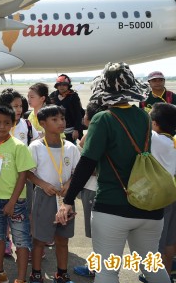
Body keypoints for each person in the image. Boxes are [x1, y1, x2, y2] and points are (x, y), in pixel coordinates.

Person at [57, 62, 170, 283]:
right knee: (152, 267)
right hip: (149, 206)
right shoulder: (144, 117)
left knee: (107, 271)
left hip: (113, 206)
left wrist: (68, 200)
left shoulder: (103, 118)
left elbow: (88, 162)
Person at [0, 103, 36, 283]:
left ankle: (20, 278)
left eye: (6, 123)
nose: (2, 127)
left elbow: (23, 175)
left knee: (21, 240)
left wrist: (12, 201)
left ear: (12, 124)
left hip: (16, 202)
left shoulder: (18, 146)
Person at [27, 105, 80, 283]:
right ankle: (36, 273)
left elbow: (77, 172)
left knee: (62, 239)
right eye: (55, 119)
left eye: (62, 119)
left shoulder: (71, 148)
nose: (61, 123)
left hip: (65, 199)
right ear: (42, 123)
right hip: (44, 197)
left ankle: (62, 273)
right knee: (39, 239)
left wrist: (69, 184)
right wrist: (43, 184)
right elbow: (27, 172)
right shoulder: (35, 146)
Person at [139, 103, 176, 283]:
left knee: (156, 243)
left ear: (155, 123)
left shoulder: (154, 139)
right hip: (172, 193)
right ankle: (166, 276)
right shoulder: (173, 141)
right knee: (170, 241)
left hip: (158, 196)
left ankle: (153, 277)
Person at [72, 102, 103, 278]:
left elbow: (88, 164)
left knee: (97, 235)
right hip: (103, 188)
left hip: (92, 188)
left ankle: (95, 269)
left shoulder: (93, 135)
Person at [49, 75, 85, 143]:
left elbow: (78, 113)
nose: (61, 87)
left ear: (68, 86)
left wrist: (76, 129)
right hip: (56, 129)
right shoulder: (53, 95)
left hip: (70, 130)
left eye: (64, 85)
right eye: (59, 85)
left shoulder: (73, 96)